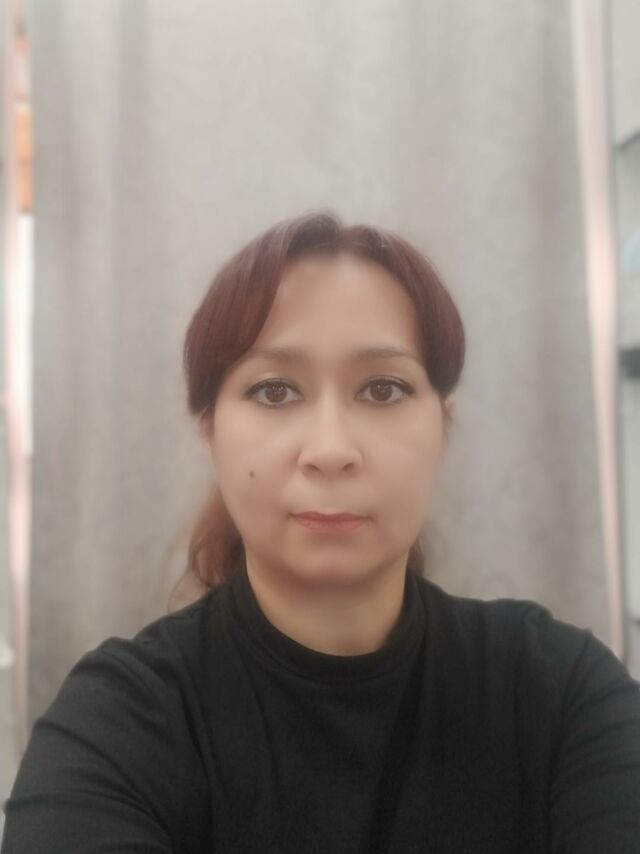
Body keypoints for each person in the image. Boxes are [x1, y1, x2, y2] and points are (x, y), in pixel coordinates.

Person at [2, 210, 639, 853]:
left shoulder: (561, 691)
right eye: (275, 391)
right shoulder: (119, 721)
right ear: (210, 433)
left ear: (443, 427)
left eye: (383, 389)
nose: (330, 450)